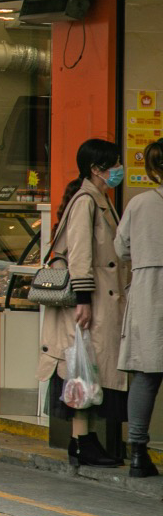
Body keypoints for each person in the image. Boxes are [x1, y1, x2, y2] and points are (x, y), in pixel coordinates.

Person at [39, 138, 128, 468]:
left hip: (98, 300)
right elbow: (79, 255)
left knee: (86, 368)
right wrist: (83, 300)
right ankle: (84, 442)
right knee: (83, 368)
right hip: (89, 302)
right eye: (114, 164)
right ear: (97, 169)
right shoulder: (87, 201)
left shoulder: (97, 199)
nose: (119, 169)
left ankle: (82, 442)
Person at [117, 139, 163, 478]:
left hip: (148, 288)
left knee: (146, 373)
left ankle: (137, 452)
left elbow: (121, 248)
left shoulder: (139, 203)